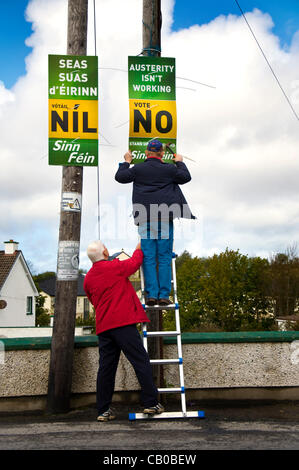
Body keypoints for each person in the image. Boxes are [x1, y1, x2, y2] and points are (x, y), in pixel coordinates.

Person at [83, 240, 164, 421]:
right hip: (123, 323)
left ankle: (103, 410)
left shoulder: (88, 278)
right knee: (140, 360)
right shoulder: (114, 267)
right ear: (105, 252)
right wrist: (139, 247)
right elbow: (135, 263)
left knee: (106, 368)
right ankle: (151, 403)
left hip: (104, 327)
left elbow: (93, 300)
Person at [115, 139, 194, 306]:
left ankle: (151, 294)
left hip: (145, 218)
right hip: (165, 217)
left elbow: (120, 177)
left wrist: (126, 162)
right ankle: (164, 295)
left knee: (149, 256)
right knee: (164, 256)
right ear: (162, 154)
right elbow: (186, 177)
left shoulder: (138, 169)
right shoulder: (169, 169)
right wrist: (180, 162)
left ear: (145, 153)